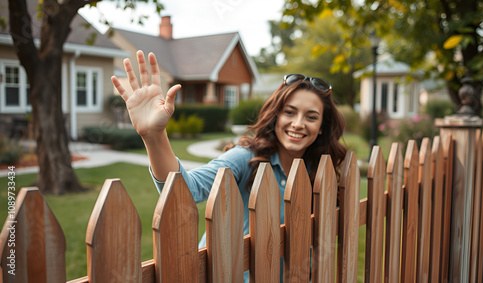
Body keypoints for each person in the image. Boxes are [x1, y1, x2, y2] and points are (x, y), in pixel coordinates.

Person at [112, 50, 347, 280]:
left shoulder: (319, 173)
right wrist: (154, 136)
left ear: (322, 126)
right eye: (290, 112)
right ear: (277, 116)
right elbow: (187, 190)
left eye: (311, 116)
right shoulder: (246, 158)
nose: (298, 123)